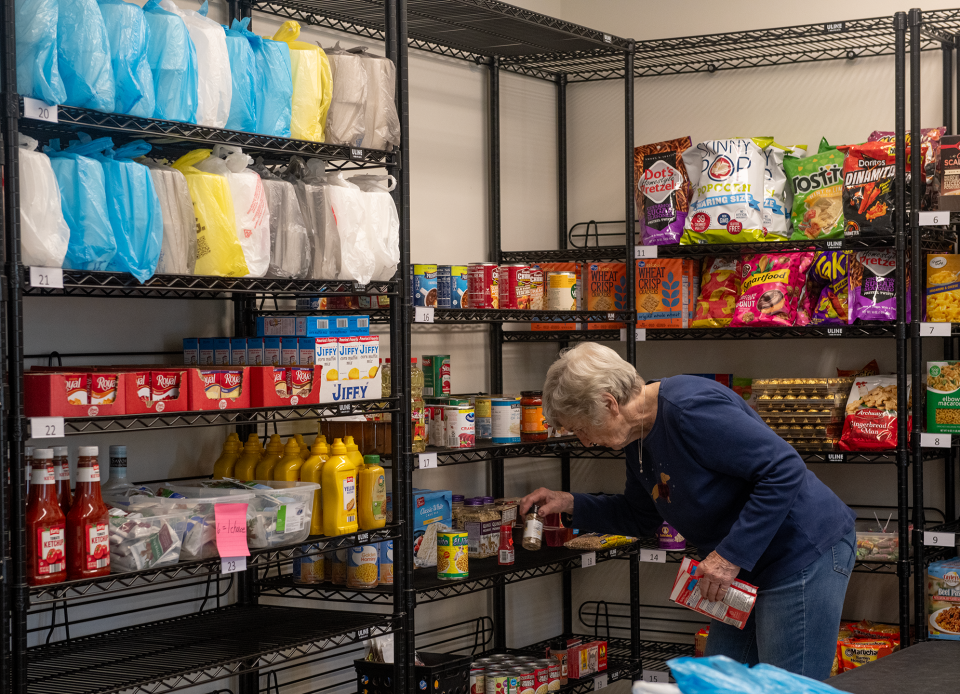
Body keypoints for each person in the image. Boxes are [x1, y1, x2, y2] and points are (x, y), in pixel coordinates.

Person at [519, 342, 856, 680]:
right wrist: (570, 503)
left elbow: (783, 470)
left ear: (609, 404)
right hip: (744, 569)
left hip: (800, 551)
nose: (585, 442)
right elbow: (640, 516)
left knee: (786, 687)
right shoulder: (637, 437)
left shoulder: (690, 408)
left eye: (582, 428)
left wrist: (727, 558)